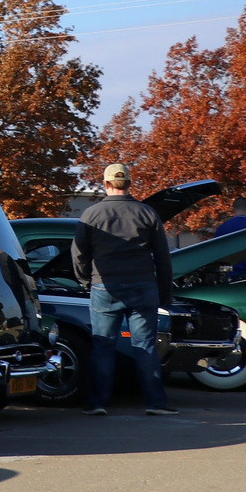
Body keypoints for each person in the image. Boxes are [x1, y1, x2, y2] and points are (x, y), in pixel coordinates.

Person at [71, 163, 178, 418]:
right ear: (129, 183)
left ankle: (97, 403)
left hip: (104, 286)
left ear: (106, 184)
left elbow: (78, 253)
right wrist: (164, 294)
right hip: (143, 286)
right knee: (145, 345)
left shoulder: (91, 214)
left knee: (103, 346)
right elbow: (163, 258)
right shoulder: (147, 213)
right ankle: (156, 403)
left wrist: (86, 281)